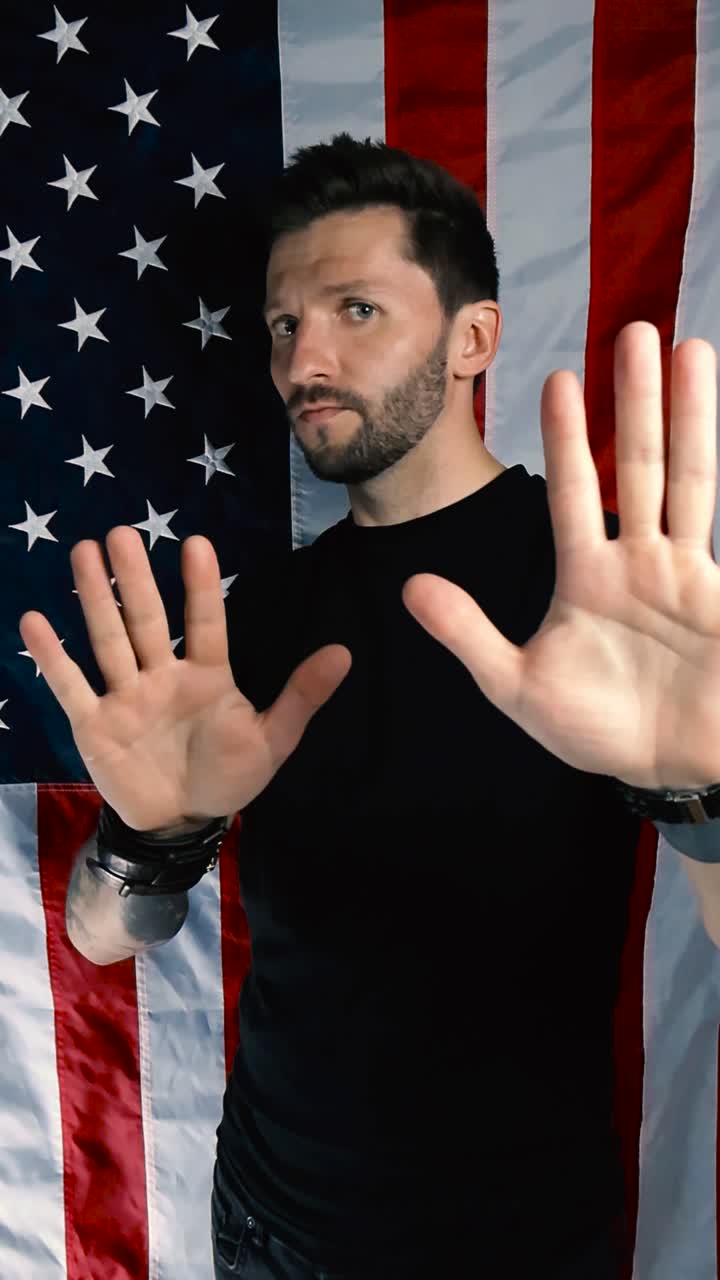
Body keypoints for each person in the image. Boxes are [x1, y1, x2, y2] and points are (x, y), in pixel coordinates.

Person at [19, 134, 720, 1280]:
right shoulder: (258, 613)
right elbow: (102, 936)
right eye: (285, 325)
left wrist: (699, 785)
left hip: (522, 1237)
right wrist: (152, 837)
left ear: (473, 337)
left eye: (356, 308)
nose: (307, 358)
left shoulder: (605, 589)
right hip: (272, 1223)